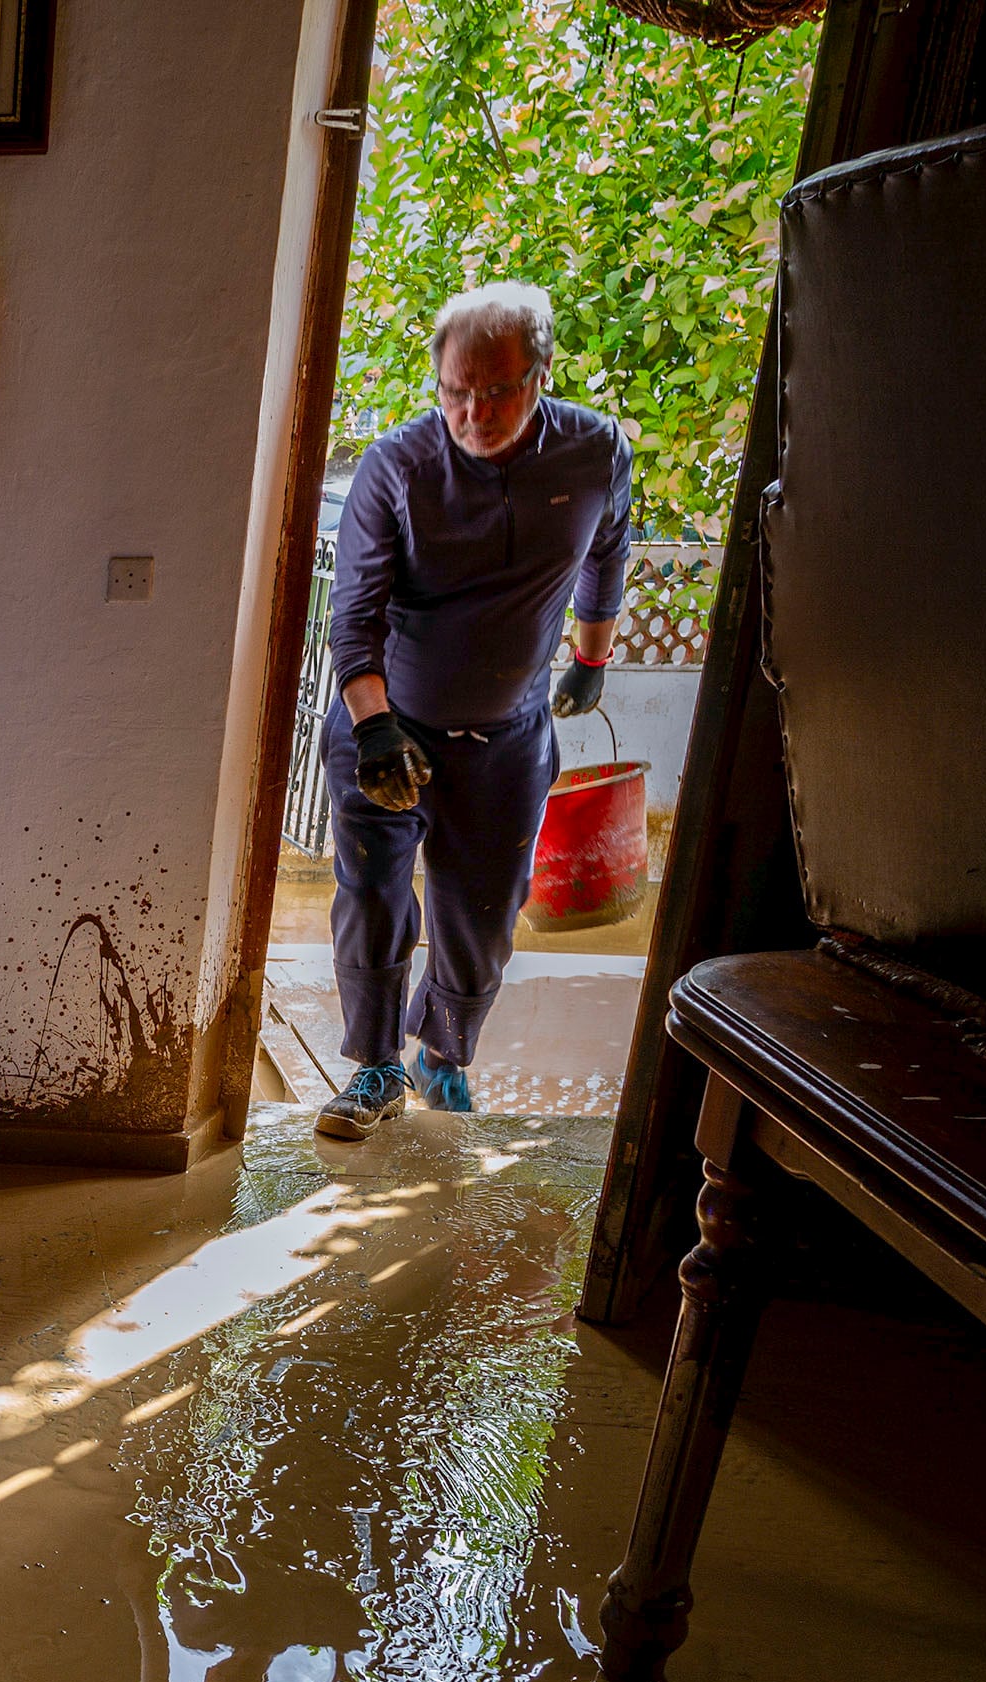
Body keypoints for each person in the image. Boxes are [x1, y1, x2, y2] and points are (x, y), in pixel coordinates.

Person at [313, 282, 632, 1141]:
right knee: (374, 895)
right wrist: (374, 726)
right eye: (455, 390)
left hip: (505, 737)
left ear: (542, 374)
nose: (472, 410)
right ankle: (374, 1065)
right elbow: (355, 614)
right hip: (386, 722)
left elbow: (607, 553)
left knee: (484, 911)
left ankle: (441, 1056)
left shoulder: (594, 452)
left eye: (495, 390)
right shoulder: (398, 467)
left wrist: (590, 660)